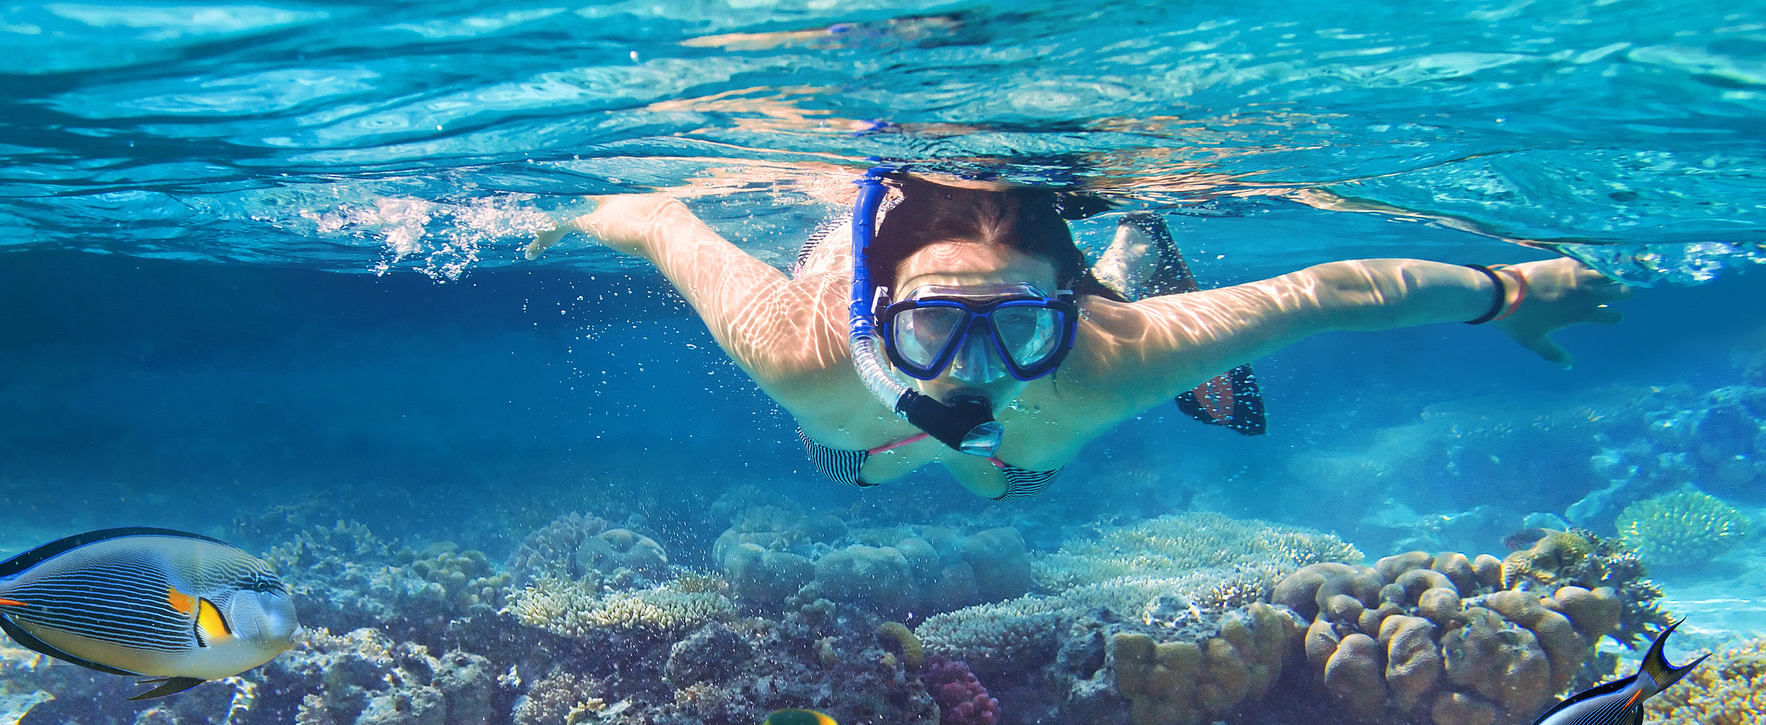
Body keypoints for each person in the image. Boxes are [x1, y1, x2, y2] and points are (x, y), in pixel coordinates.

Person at [526, 171, 1632, 500]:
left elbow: (1332, 288)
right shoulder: (797, 349)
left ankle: (1124, 256)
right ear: (874, 317)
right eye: (931, 323)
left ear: (1063, 316)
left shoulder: (1113, 353)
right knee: (853, 463)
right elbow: (659, 217)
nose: (970, 367)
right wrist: (558, 219)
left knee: (1021, 472)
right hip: (863, 438)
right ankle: (1114, 267)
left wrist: (1508, 290)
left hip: (1073, 347)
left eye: (1013, 325)